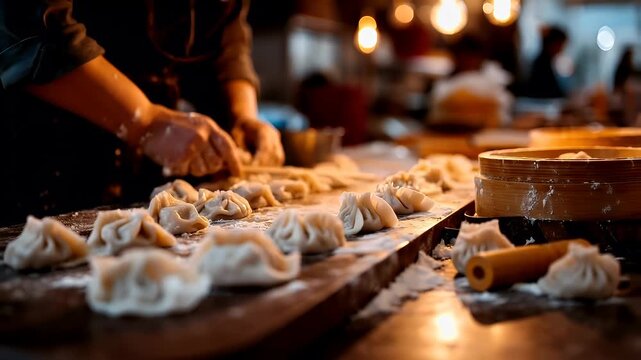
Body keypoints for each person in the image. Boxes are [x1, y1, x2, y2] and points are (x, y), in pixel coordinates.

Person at [0, 0, 284, 225]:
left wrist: (242, 115)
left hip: (148, 169)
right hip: (39, 161)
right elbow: (26, 27)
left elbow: (227, 34)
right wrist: (145, 121)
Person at [525, 26, 568, 98]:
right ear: (553, 43)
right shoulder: (542, 64)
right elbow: (548, 92)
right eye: (561, 44)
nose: (562, 48)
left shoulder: (546, 61)